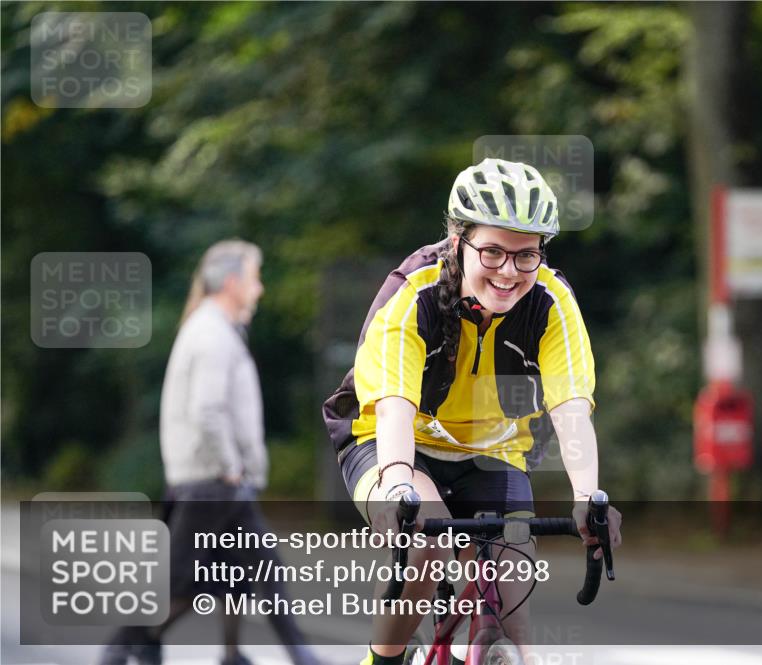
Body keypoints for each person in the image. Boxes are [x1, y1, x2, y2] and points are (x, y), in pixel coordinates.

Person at [323, 159, 623, 665]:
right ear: (458, 238)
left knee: (515, 605)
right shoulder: (413, 292)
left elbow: (571, 409)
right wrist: (398, 486)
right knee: (426, 544)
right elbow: (395, 407)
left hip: (491, 451)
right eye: (493, 252)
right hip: (391, 442)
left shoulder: (551, 303)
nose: (509, 271)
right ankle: (384, 657)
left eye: (526, 255)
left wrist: (587, 496)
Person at [99, 240, 324, 665]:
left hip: (211, 481)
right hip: (213, 482)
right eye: (255, 279)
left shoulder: (215, 328)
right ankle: (126, 643)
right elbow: (208, 408)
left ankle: (229, 653)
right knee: (192, 578)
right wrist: (231, 467)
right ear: (234, 282)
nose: (259, 290)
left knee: (232, 574)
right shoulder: (212, 333)